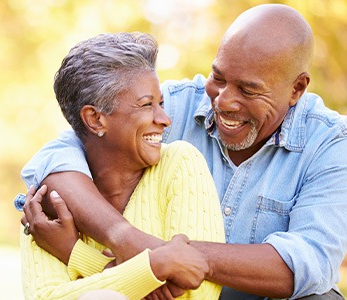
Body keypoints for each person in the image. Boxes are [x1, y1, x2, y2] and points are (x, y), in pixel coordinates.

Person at [17, 3, 347, 299]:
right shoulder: (172, 105)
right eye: (219, 77)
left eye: (248, 90)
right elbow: (57, 159)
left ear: (297, 89)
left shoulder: (331, 144)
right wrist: (125, 239)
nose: (224, 101)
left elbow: (308, 262)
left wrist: (167, 259)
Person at [16, 32, 225, 299]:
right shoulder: (49, 202)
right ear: (95, 119)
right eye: (146, 104)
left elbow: (196, 293)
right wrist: (155, 267)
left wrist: (76, 254)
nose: (164, 119)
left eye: (160, 103)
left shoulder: (181, 163)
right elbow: (46, 297)